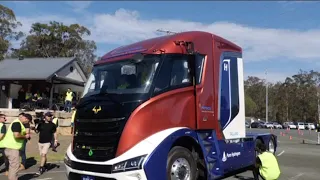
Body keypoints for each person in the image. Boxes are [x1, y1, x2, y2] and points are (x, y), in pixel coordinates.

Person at [2, 113, 31, 180]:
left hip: (10, 148)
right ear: (26, 118)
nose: (27, 123)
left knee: (13, 167)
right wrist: (25, 136)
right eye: (28, 121)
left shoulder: (18, 123)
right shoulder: (17, 123)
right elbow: (16, 135)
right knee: (14, 167)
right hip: (12, 148)